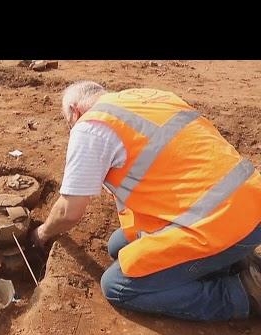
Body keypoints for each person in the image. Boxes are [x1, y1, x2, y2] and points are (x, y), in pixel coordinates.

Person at [29, 81, 261, 321]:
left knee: (117, 285)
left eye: (69, 123)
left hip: (221, 223)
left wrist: (41, 234)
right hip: (250, 203)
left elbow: (69, 212)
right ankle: (232, 260)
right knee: (118, 245)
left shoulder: (90, 126)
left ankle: (243, 293)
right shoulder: (152, 97)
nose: (71, 129)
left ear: (75, 111)